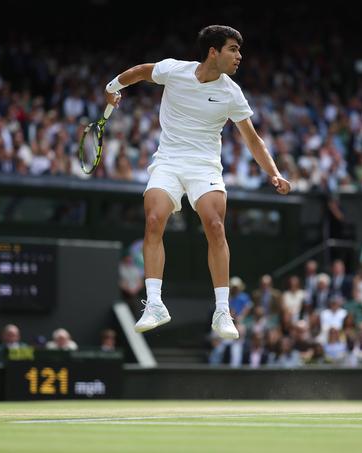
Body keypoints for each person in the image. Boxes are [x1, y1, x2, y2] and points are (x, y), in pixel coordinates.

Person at [105, 25, 291, 339]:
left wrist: (273, 172)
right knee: (153, 219)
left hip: (204, 166)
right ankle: (154, 304)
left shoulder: (232, 92)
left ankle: (222, 311)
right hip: (169, 161)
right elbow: (139, 72)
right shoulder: (174, 70)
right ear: (213, 52)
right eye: (233, 49)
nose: (239, 56)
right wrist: (112, 87)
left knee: (215, 224)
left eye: (239, 50)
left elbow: (254, 140)